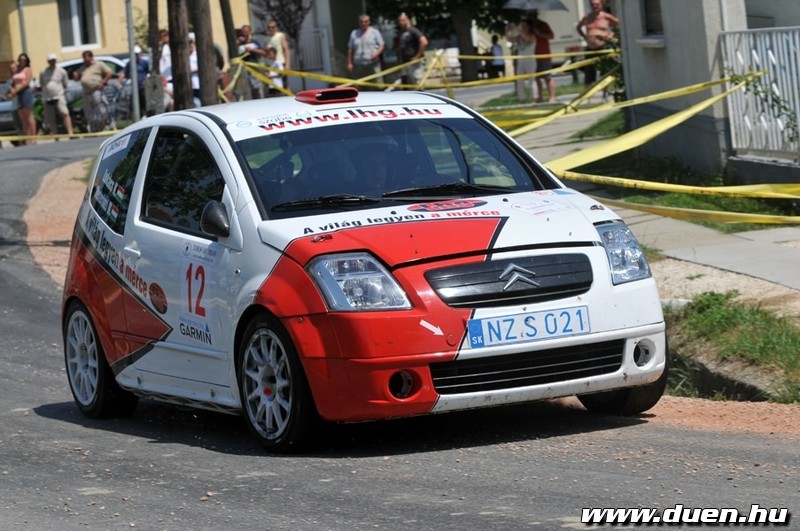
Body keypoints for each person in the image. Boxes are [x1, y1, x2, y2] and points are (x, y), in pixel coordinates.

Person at [576, 0, 620, 88]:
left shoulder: (606, 16)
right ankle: (587, 94)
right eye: (593, 4)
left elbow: (619, 24)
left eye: (597, 4)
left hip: (603, 47)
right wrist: (585, 37)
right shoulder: (587, 17)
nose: (595, 6)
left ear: (601, 5)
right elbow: (579, 27)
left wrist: (611, 35)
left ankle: (605, 92)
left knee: (605, 72)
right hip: (590, 48)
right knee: (588, 73)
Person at [347, 14, 385, 89]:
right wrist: (349, 63)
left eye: (365, 21)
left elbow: (382, 45)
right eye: (361, 22)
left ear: (369, 22)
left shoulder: (375, 32)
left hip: (372, 63)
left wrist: (376, 54)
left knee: (377, 85)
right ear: (359, 23)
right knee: (359, 86)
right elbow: (350, 49)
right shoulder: (354, 33)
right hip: (359, 64)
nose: (363, 23)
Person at [40, 53, 74, 137]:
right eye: (50, 61)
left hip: (59, 95)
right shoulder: (43, 72)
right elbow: (42, 84)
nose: (52, 62)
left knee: (64, 113)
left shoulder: (61, 71)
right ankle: (55, 134)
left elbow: (65, 83)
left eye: (53, 60)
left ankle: (70, 133)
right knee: (50, 117)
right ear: (48, 61)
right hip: (47, 97)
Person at [79, 50, 113, 132]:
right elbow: (78, 76)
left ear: (91, 57)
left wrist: (103, 81)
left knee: (101, 109)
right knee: (89, 111)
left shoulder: (99, 64)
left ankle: (105, 125)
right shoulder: (83, 68)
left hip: (96, 90)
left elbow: (109, 72)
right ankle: (94, 127)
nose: (85, 59)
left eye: (86, 57)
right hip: (87, 92)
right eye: (84, 58)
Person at [6, 53, 36, 144]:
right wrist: (12, 91)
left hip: (25, 92)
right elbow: (13, 81)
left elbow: (26, 83)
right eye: (20, 60)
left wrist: (15, 91)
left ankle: (33, 137)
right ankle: (27, 138)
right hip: (18, 94)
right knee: (23, 118)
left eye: (24, 60)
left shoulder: (28, 69)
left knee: (29, 116)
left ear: (27, 61)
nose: (22, 61)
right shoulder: (18, 70)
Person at [530, 11, 557, 103]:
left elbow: (551, 36)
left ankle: (552, 97)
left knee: (548, 77)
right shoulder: (529, 26)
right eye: (529, 15)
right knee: (537, 78)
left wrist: (540, 33)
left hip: (544, 54)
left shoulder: (543, 24)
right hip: (533, 56)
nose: (531, 17)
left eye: (532, 15)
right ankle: (540, 97)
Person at [396, 13, 428, 87]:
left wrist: (417, 56)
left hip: (415, 62)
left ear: (407, 20)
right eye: (399, 21)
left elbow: (424, 42)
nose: (401, 23)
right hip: (406, 62)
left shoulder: (413, 30)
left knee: (418, 83)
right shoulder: (402, 32)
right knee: (409, 84)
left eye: (403, 20)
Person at [118, 45, 150, 119]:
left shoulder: (144, 63)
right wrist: (118, 82)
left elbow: (148, 72)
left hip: (142, 86)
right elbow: (124, 72)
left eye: (137, 54)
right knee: (136, 103)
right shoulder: (130, 64)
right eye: (135, 54)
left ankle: (146, 115)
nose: (136, 56)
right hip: (134, 88)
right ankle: (139, 116)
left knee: (144, 101)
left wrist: (146, 80)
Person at [510, 20, 536, 103]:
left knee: (532, 80)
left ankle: (534, 99)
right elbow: (510, 40)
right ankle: (521, 99)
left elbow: (526, 38)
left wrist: (518, 30)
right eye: (522, 26)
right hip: (521, 60)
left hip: (530, 60)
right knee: (519, 80)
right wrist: (508, 30)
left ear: (528, 27)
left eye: (524, 26)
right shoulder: (519, 36)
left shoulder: (532, 36)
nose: (523, 27)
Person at [237, 25, 264, 99]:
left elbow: (263, 52)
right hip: (243, 70)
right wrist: (237, 42)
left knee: (257, 89)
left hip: (254, 69)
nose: (244, 33)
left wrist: (252, 50)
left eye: (246, 31)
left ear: (249, 32)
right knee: (246, 90)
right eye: (243, 32)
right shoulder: (239, 44)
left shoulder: (254, 42)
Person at [266, 20, 291, 88]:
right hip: (272, 64)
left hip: (280, 63)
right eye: (269, 27)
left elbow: (286, 50)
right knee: (274, 86)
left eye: (273, 27)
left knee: (283, 85)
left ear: (276, 27)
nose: (271, 29)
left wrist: (287, 65)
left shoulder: (280, 35)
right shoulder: (268, 38)